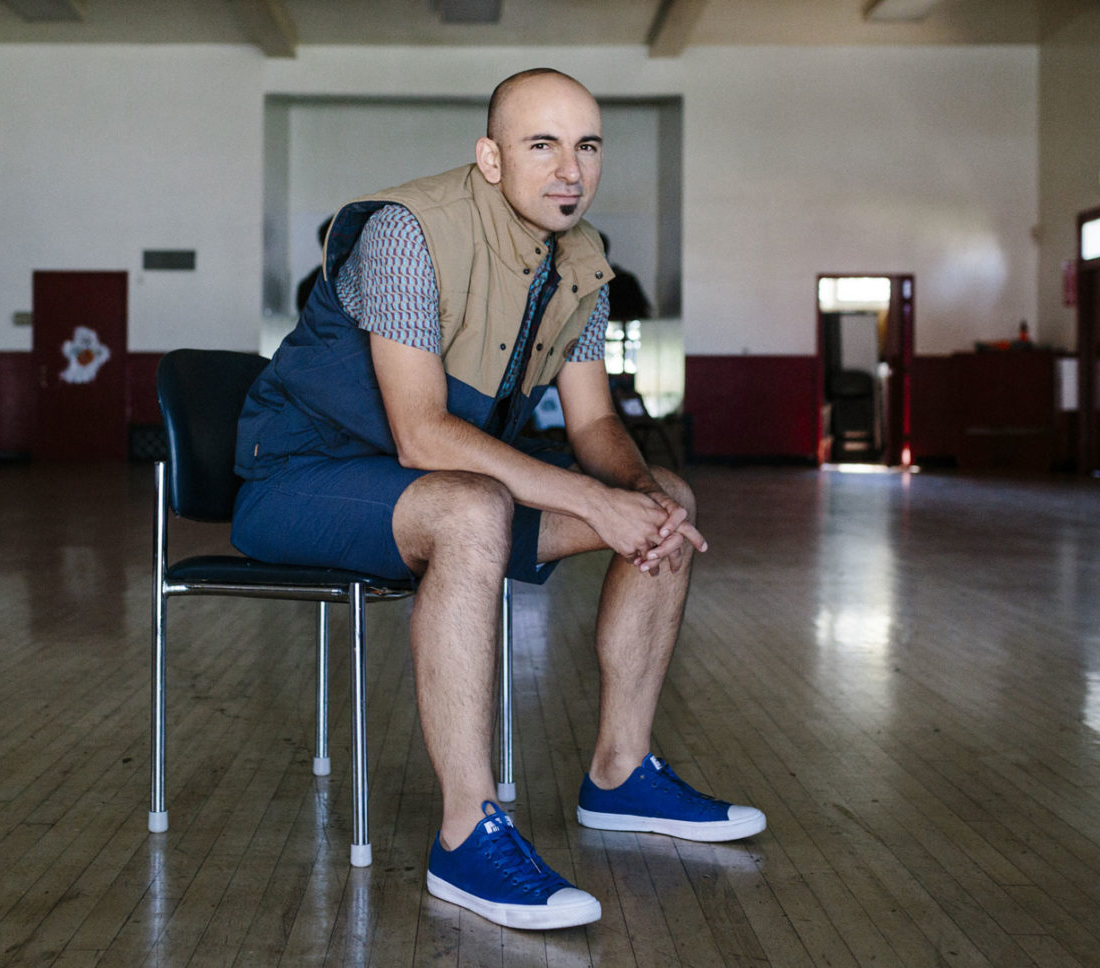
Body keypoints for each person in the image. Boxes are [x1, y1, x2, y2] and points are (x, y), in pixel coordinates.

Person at [233, 68, 765, 931]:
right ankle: (465, 837)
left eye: (587, 145)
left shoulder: (581, 261)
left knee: (666, 491)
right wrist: (596, 503)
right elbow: (421, 435)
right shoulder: (409, 233)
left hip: (443, 488)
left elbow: (593, 423)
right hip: (300, 478)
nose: (570, 169)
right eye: (541, 144)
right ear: (490, 158)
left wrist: (633, 496)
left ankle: (621, 774)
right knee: (474, 507)